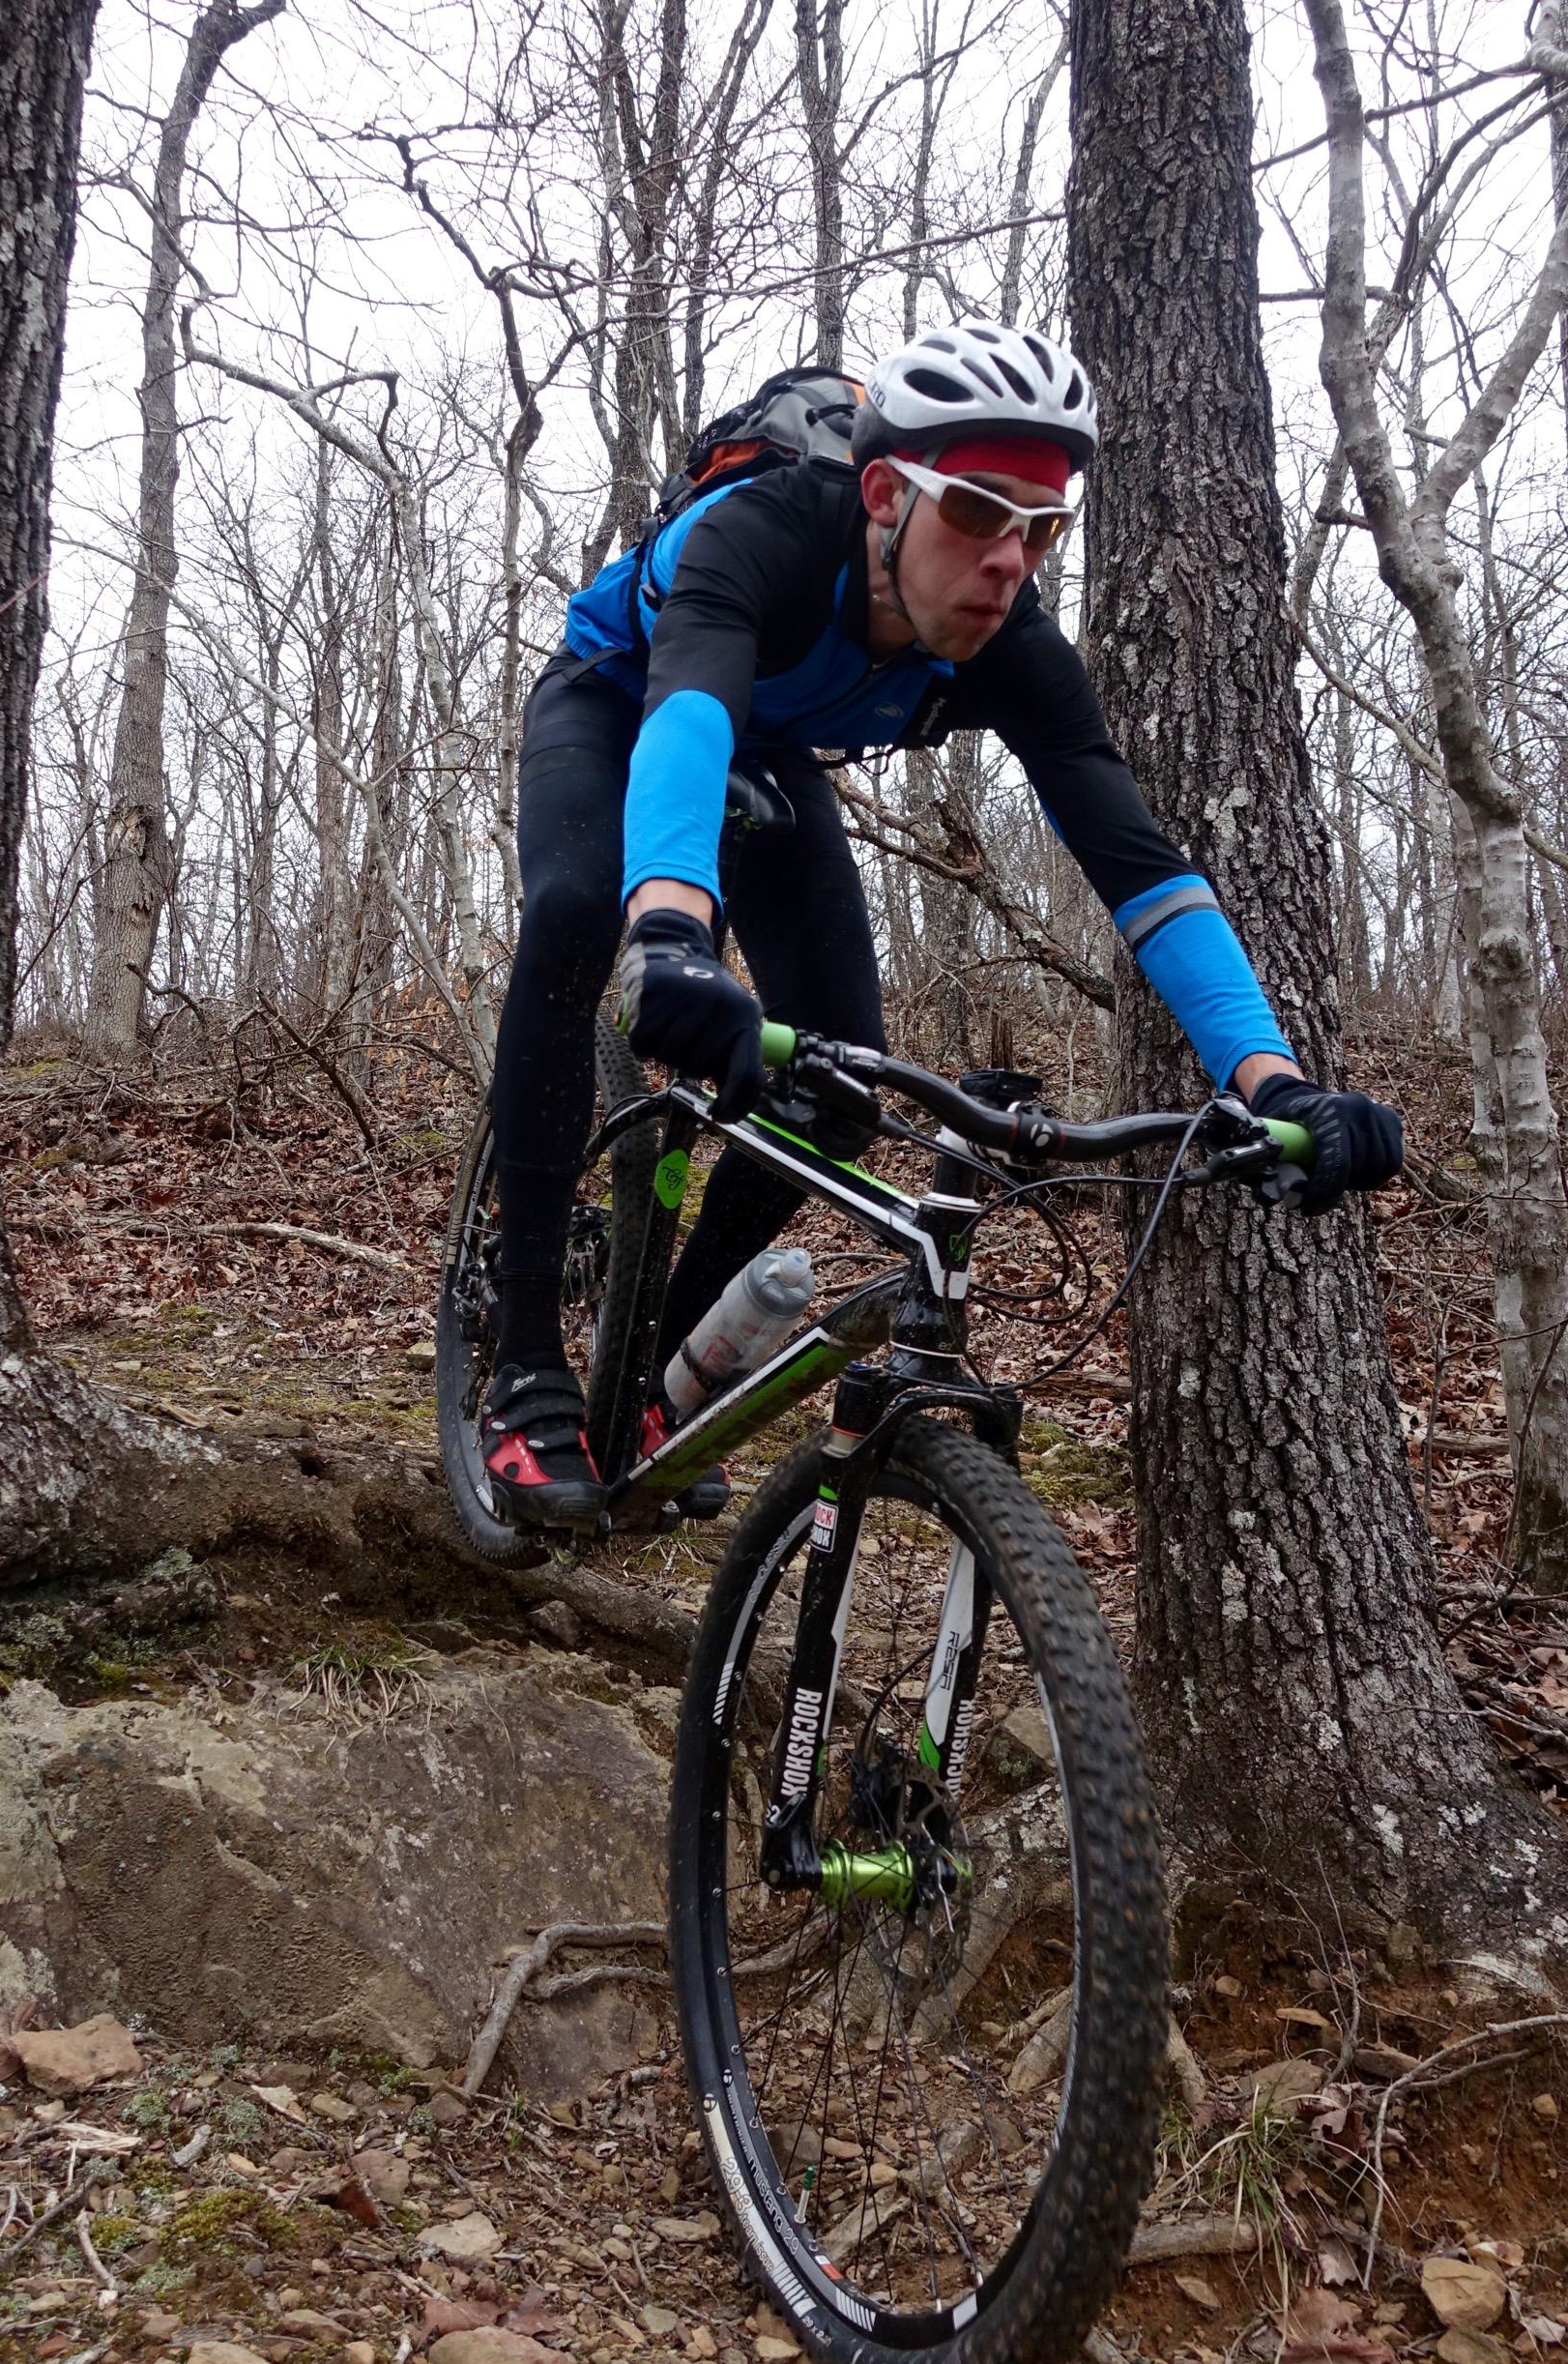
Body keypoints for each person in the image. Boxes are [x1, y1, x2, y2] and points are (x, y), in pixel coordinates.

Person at [479, 321, 1403, 1529]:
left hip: (770, 751)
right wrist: (668, 932)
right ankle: (521, 1361)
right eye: (975, 512)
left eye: (1040, 527)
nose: (1008, 559)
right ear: (883, 494)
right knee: (565, 915)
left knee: (837, 1090)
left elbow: (1141, 870)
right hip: (623, 705)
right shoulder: (759, 534)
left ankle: (655, 1369)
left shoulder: (1012, 645)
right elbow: (692, 713)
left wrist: (1273, 1082)